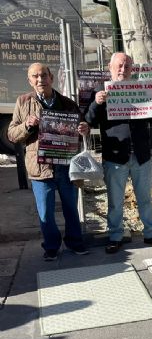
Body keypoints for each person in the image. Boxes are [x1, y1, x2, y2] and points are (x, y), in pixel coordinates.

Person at [85, 52, 152, 253]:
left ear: (133, 69)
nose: (123, 70)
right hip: (115, 156)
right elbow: (89, 120)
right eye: (119, 66)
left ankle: (151, 235)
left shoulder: (142, 89)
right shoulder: (100, 90)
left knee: (145, 199)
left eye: (127, 66)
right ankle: (115, 236)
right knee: (115, 201)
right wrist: (96, 103)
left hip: (141, 155)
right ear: (110, 67)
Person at [8, 63, 90, 261]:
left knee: (71, 208)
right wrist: (27, 125)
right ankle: (51, 247)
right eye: (35, 76)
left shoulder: (68, 103)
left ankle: (75, 243)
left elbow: (79, 132)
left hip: (66, 166)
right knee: (46, 212)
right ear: (30, 81)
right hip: (40, 168)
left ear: (51, 77)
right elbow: (12, 134)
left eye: (43, 75)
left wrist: (83, 130)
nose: (40, 79)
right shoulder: (23, 102)